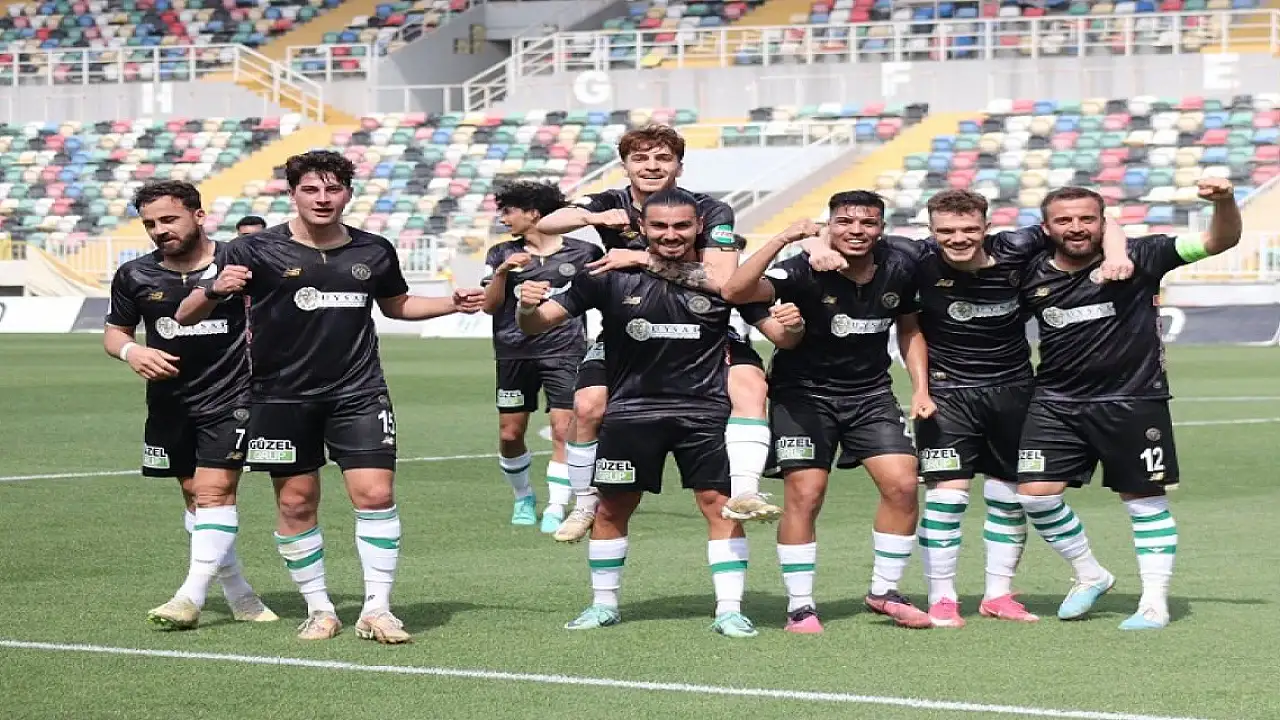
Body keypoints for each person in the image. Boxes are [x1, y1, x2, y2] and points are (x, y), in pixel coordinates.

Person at [175, 150, 485, 643]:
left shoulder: (374, 249)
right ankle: (320, 609)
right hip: (279, 398)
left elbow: (397, 305)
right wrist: (214, 289)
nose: (323, 198)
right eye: (311, 189)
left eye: (333, 189)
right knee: (296, 503)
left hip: (359, 392)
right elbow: (185, 315)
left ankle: (378, 609)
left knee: (376, 494)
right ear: (293, 193)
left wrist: (452, 302)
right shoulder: (251, 249)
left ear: (348, 194)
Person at [518, 188, 806, 636]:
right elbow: (537, 324)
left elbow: (782, 338)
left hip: (705, 411)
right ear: (642, 227)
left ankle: (729, 609)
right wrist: (525, 306)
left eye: (681, 226)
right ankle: (603, 605)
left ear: (698, 227)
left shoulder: (723, 282)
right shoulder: (608, 274)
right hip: (632, 410)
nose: (671, 235)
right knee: (611, 509)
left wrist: (794, 326)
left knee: (721, 508)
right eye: (659, 226)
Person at [900, 189, 1132, 627]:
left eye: (969, 229)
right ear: (931, 231)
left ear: (987, 227)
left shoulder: (1018, 246)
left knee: (1008, 496)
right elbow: (909, 329)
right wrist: (920, 390)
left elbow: (1105, 224)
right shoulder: (915, 259)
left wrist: (1117, 252)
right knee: (947, 498)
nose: (958, 238)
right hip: (949, 393)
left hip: (1016, 391)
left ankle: (998, 594)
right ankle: (942, 598)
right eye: (946, 231)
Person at [536, 125, 778, 543]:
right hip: (629, 324)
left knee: (751, 386)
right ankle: (584, 502)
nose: (651, 166)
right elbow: (549, 221)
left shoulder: (709, 209)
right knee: (587, 406)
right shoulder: (608, 202)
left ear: (679, 167)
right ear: (625, 166)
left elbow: (723, 281)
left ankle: (744, 492)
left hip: (701, 323)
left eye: (663, 158)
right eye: (641, 158)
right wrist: (593, 218)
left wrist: (641, 259)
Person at [1016, 180, 1240, 630]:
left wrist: (1224, 202)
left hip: (1134, 400)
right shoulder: (1029, 273)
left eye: (1087, 219)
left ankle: (1153, 602)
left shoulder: (1144, 256)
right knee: (1035, 497)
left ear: (1104, 223)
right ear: (1046, 228)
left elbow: (1220, 240)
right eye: (1064, 220)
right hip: (1055, 402)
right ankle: (1090, 574)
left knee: (1144, 501)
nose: (1076, 227)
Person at [722, 190, 934, 632]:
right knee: (806, 494)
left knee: (902, 485)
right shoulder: (801, 269)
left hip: (871, 395)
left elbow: (910, 330)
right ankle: (800, 606)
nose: (857, 230)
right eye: (845, 222)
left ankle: (885, 591)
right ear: (829, 225)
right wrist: (784, 238)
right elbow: (735, 290)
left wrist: (920, 388)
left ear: (881, 228)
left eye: (868, 222)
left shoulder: (900, 267)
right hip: (803, 396)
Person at [104, 180, 276, 630]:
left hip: (235, 395)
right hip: (171, 401)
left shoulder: (240, 261)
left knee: (214, 492)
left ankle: (189, 596)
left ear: (199, 216)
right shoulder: (135, 274)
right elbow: (115, 333)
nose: (160, 230)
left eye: (169, 219)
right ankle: (241, 594)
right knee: (195, 496)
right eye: (150, 224)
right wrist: (132, 352)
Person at [482, 181, 604, 531]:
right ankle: (523, 496)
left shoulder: (585, 253)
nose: (503, 218)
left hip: (566, 352)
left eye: (508, 211)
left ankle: (556, 505)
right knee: (510, 434)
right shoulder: (500, 253)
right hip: (513, 352)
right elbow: (489, 307)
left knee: (563, 431)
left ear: (533, 213)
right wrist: (503, 273)